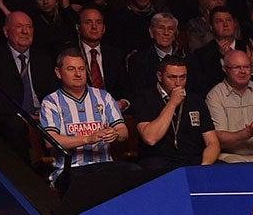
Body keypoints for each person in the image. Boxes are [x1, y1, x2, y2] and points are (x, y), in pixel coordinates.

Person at [38, 46, 130, 175]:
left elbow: (123, 131)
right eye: (71, 69)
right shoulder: (51, 101)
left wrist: (115, 133)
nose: (78, 74)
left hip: (105, 165)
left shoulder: (103, 96)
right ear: (58, 73)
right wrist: (87, 139)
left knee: (134, 173)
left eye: (81, 69)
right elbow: (50, 141)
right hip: (69, 169)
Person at [135, 59, 221, 170]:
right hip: (158, 160)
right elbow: (150, 138)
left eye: (183, 77)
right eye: (172, 77)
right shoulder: (144, 99)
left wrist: (204, 167)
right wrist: (172, 104)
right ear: (160, 76)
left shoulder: (196, 101)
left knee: (224, 169)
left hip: (193, 159)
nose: (178, 83)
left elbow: (213, 143)